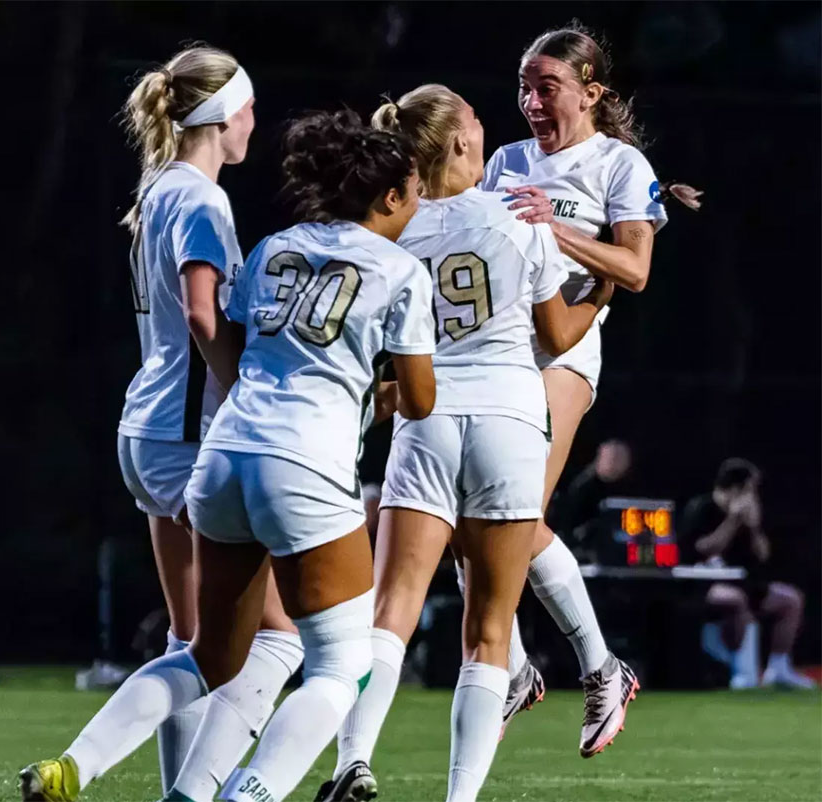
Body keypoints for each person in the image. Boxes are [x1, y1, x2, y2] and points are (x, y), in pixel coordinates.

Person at [18, 46, 304, 802]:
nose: (253, 121)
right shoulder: (204, 200)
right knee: (274, 638)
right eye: (245, 107)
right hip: (191, 437)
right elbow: (205, 313)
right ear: (217, 116)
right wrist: (249, 391)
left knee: (193, 638)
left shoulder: (159, 187)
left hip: (146, 431)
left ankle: (161, 789)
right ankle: (102, 771)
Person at [318, 84, 612, 802]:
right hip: (509, 421)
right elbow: (557, 336)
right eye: (475, 118)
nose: (486, 125)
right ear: (456, 142)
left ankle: (351, 762)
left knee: (390, 614)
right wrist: (602, 287)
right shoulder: (515, 214)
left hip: (427, 420)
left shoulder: (394, 227)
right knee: (488, 636)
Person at [179, 109, 436, 802]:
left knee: (212, 656)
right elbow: (418, 399)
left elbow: (236, 341)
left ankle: (168, 790)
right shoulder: (400, 268)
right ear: (388, 197)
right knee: (342, 665)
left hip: (226, 452)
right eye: (414, 192)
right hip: (306, 465)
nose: (419, 205)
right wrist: (366, 392)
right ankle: (249, 794)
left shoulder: (274, 246)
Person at [478, 23, 698, 756]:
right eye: (523, 85)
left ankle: (601, 668)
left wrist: (557, 227)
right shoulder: (504, 160)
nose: (531, 101)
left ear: (591, 91)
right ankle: (514, 669)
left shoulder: (618, 163)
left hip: (565, 351)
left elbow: (633, 270)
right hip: (492, 351)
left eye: (547, 86)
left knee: (512, 515)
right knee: (465, 520)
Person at [679, 458, 816, 690]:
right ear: (735, 488)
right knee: (735, 600)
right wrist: (732, 520)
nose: (753, 493)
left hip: (743, 581)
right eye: (750, 487)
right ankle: (743, 672)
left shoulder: (751, 511)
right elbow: (704, 548)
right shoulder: (701, 508)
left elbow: (763, 555)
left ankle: (779, 668)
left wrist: (753, 527)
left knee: (790, 599)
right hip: (702, 583)